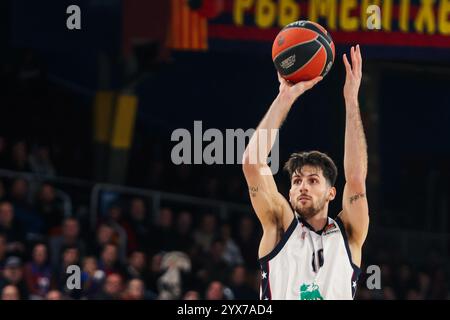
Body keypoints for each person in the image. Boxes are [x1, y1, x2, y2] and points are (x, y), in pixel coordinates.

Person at [242, 46, 369, 300]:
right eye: (297, 181)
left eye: (313, 181)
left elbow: (355, 179)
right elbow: (253, 164)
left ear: (332, 192)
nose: (303, 186)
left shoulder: (349, 233)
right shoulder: (279, 225)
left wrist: (351, 100)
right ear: (288, 192)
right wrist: (285, 98)